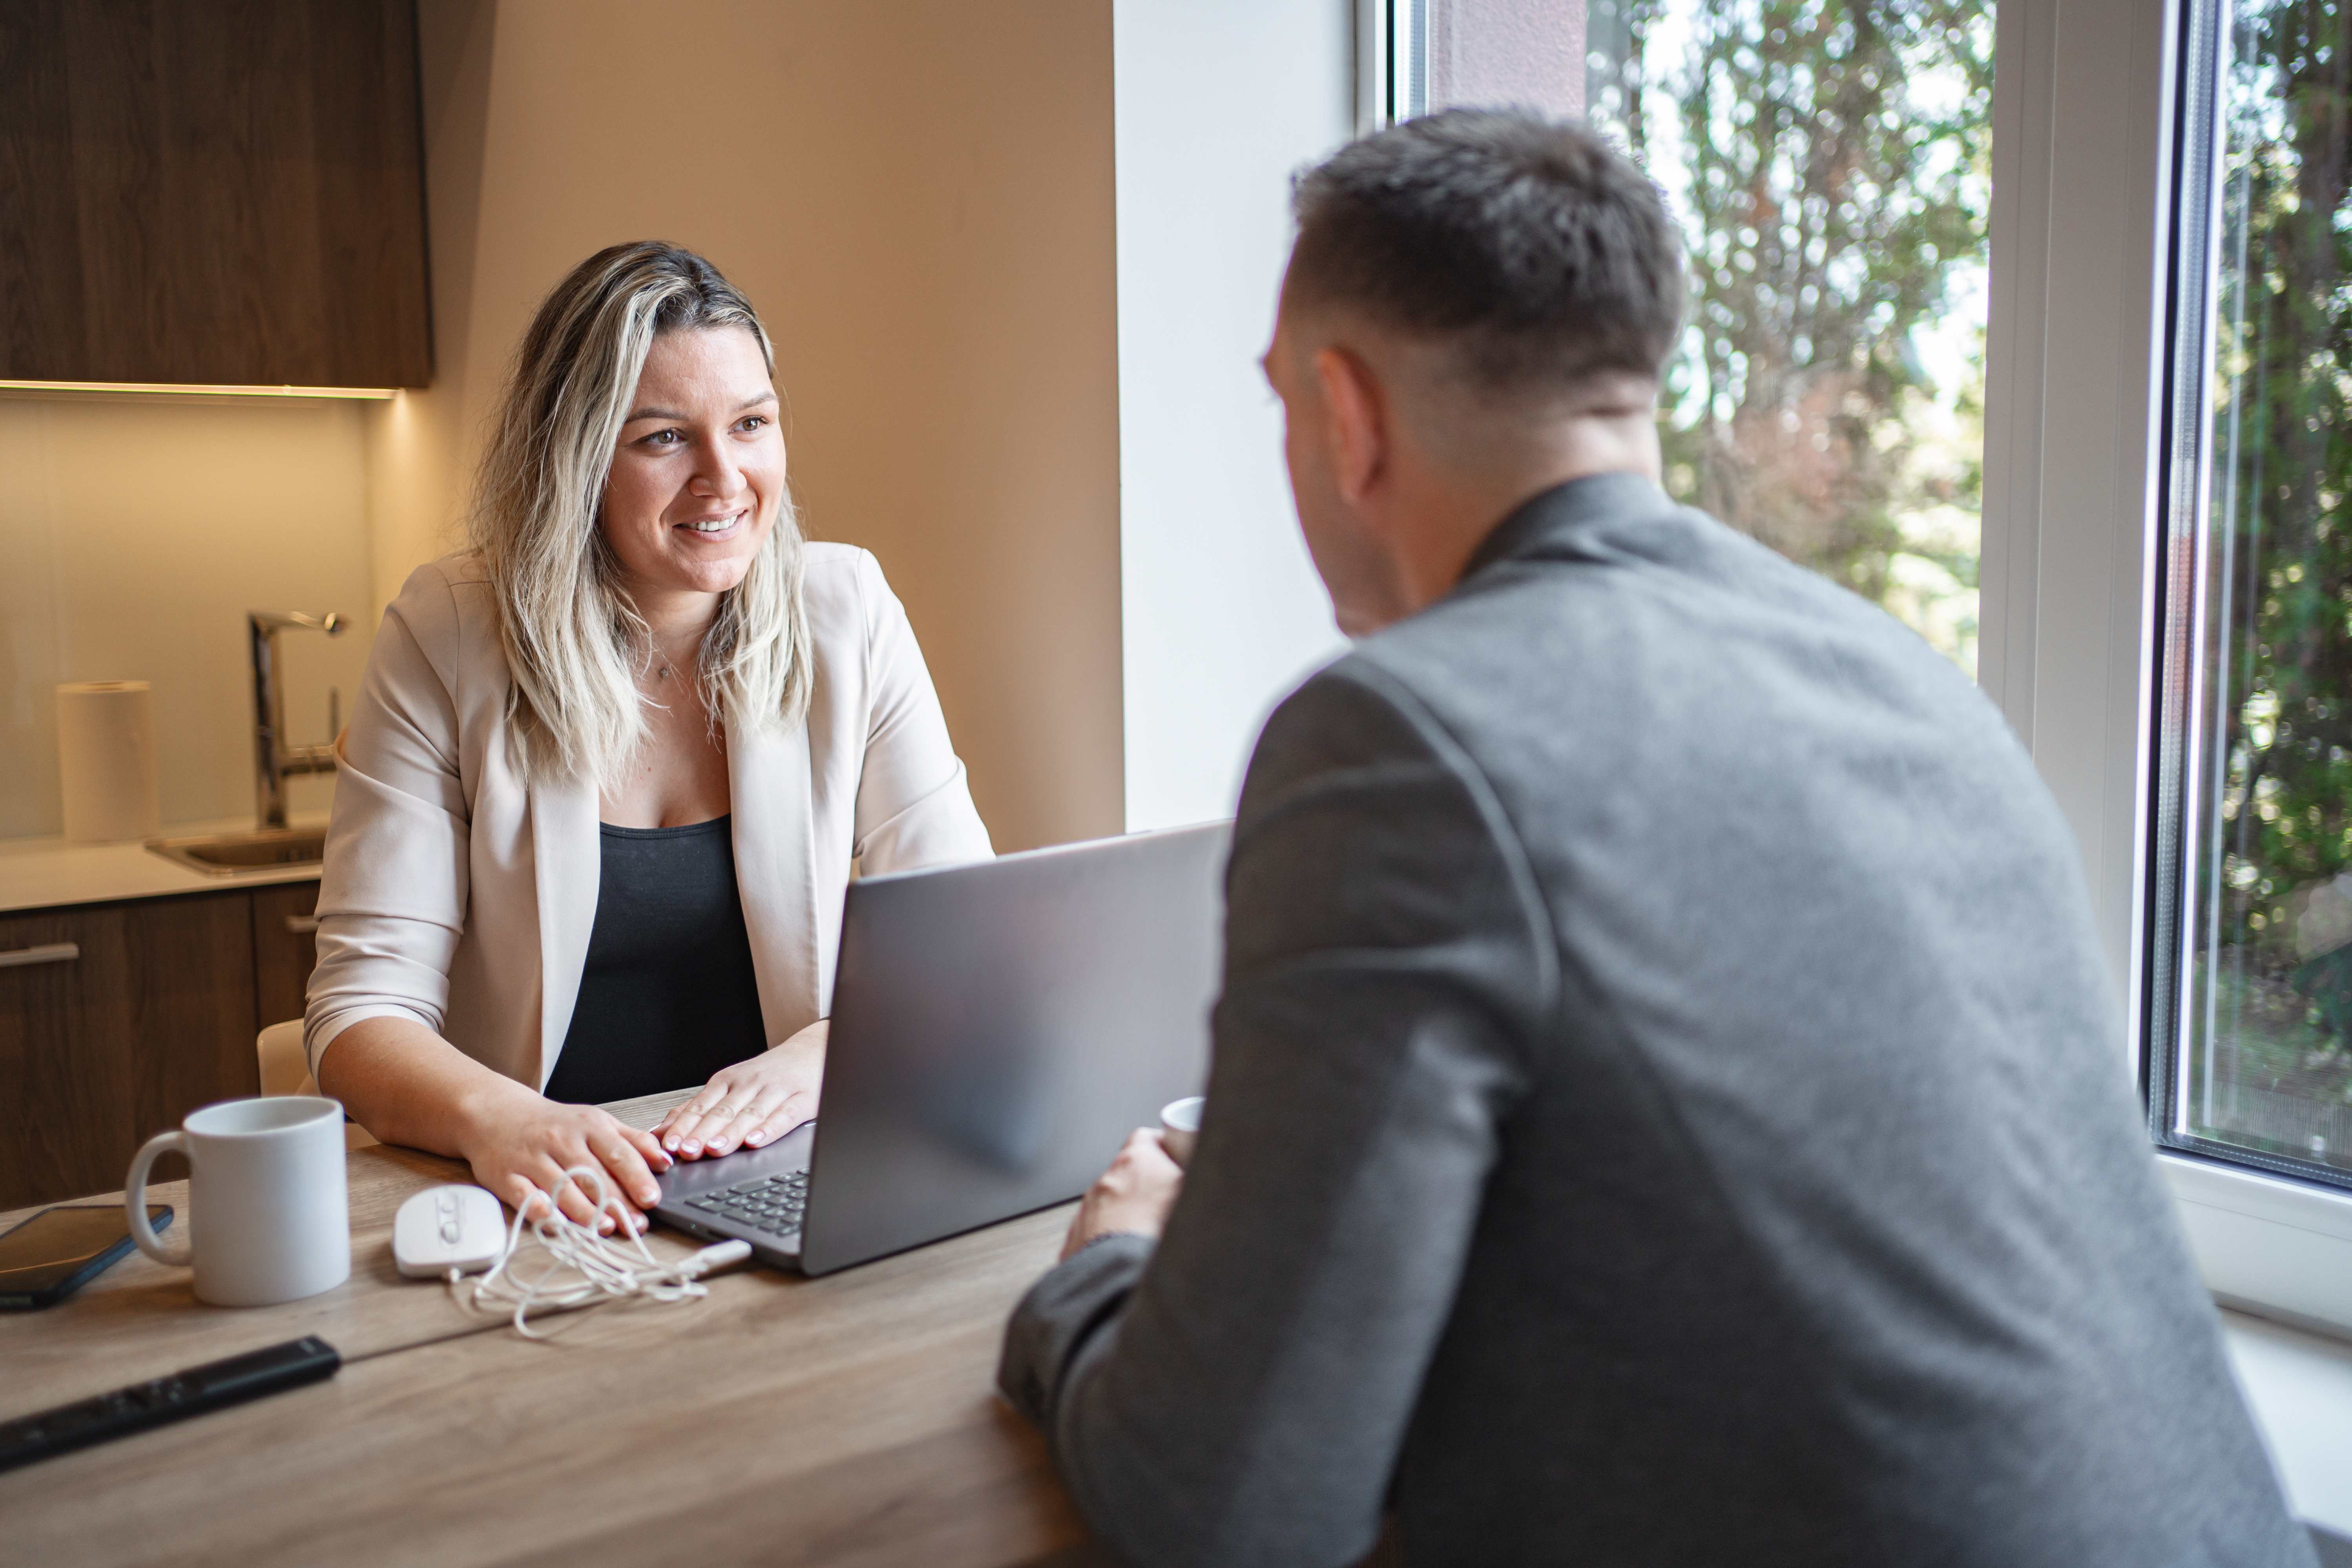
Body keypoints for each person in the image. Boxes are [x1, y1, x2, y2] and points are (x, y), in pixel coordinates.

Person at [999, 112, 2314, 1567]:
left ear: (1345, 414)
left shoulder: (1398, 736)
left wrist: (1103, 1272)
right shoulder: (1904, 678)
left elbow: (1226, 1507)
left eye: (1280, 406)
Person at [308, 242, 991, 1234]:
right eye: (665, 438)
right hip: (545, 1197)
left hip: (780, 1184)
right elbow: (359, 1013)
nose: (726, 478)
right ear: (575, 456)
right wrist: (505, 1121)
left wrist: (827, 1055)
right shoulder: (447, 635)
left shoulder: (849, 612)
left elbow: (967, 946)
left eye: (751, 424)